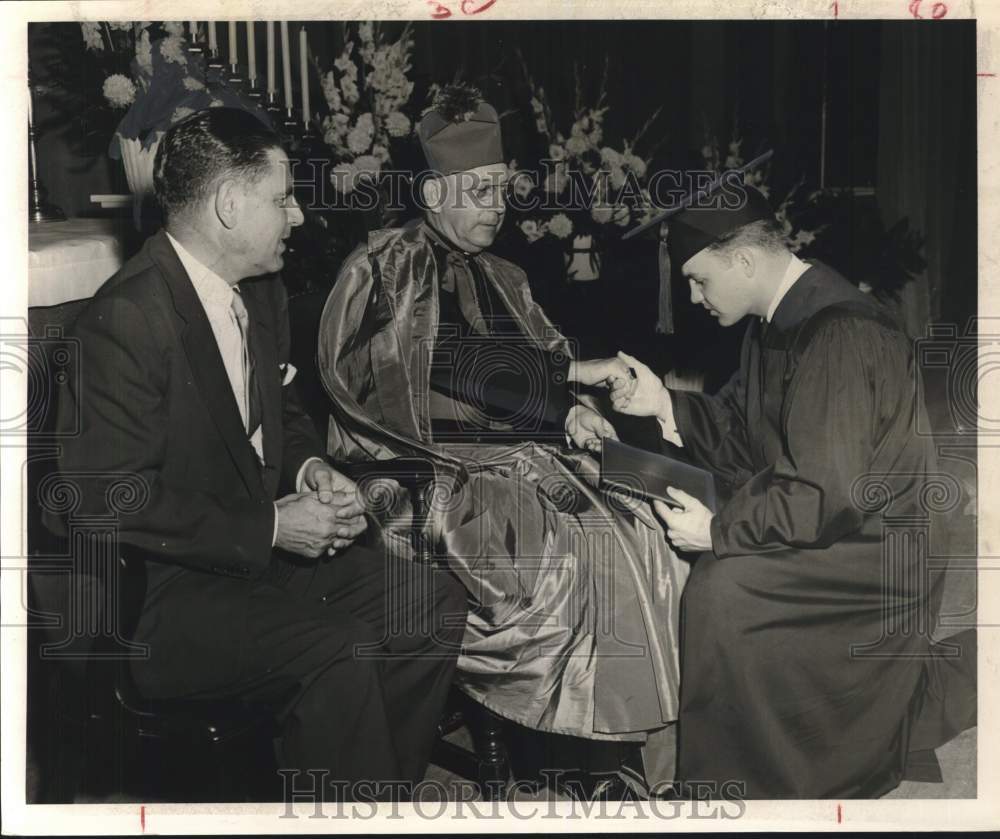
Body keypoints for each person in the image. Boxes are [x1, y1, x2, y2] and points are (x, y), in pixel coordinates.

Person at [45, 108, 467, 800]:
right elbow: (99, 499)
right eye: (283, 199)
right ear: (229, 206)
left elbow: (284, 416)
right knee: (336, 648)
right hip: (161, 599)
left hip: (256, 564)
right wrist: (273, 526)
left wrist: (312, 468)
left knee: (429, 602)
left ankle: (364, 794)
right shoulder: (126, 319)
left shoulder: (260, 291)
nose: (298, 216)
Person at [317, 84, 688, 786]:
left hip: (520, 455)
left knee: (653, 510)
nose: (498, 205)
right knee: (580, 549)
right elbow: (435, 369)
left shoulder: (504, 272)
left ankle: (636, 749)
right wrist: (571, 373)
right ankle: (573, 758)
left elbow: (531, 367)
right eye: (480, 190)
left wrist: (571, 407)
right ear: (431, 193)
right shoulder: (383, 267)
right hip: (420, 471)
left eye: (502, 187)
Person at [608, 178, 974, 798]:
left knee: (725, 590)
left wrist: (720, 531)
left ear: (745, 260)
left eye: (699, 280)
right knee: (676, 538)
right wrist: (662, 403)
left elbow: (825, 493)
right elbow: (744, 436)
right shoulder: (777, 322)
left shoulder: (839, 332)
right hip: (842, 524)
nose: (694, 298)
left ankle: (739, 785)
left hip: (877, 551)